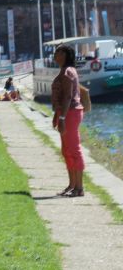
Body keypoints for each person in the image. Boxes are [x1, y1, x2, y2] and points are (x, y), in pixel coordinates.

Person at [51, 44, 85, 197]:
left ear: (65, 54)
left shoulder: (68, 72)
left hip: (70, 113)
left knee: (74, 150)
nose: (55, 54)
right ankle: (72, 184)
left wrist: (63, 117)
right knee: (66, 151)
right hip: (65, 113)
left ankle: (79, 188)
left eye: (58, 52)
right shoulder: (64, 71)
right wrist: (57, 115)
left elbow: (67, 96)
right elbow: (60, 97)